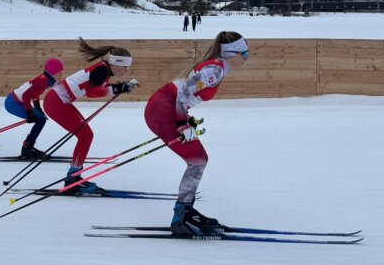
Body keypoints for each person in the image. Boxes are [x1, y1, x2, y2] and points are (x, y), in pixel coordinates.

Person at [143, 31, 249, 235]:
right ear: (231, 54)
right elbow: (183, 92)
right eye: (244, 54)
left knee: (199, 159)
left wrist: (185, 118)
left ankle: (185, 212)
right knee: (198, 160)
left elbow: (186, 93)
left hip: (165, 107)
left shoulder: (216, 68)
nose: (246, 59)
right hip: (162, 109)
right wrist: (182, 123)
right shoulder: (214, 69)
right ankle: (181, 216)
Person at [43, 38, 138, 194]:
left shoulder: (104, 69)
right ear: (116, 63)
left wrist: (119, 87)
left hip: (59, 101)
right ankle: (73, 177)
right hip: (56, 102)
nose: (125, 71)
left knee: (86, 135)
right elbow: (91, 91)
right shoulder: (102, 70)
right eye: (124, 67)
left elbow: (97, 87)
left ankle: (74, 175)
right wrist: (116, 89)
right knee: (85, 135)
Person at [4, 58, 65, 160]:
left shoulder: (46, 80)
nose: (61, 74)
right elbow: (26, 96)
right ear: (53, 71)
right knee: (40, 120)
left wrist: (37, 107)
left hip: (17, 101)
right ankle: (27, 148)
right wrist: (30, 113)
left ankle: (28, 146)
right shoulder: (43, 80)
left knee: (41, 119)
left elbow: (35, 94)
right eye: (60, 71)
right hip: (13, 103)